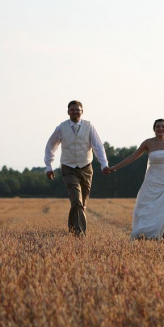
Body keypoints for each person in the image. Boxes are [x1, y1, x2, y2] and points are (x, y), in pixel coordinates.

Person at [45, 100, 110, 237]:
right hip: (68, 168)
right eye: (72, 110)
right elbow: (51, 146)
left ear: (82, 111)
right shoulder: (61, 128)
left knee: (82, 203)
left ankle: (72, 227)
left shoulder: (89, 126)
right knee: (77, 200)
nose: (75, 112)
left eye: (77, 110)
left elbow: (98, 146)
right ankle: (80, 233)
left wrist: (104, 164)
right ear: (68, 112)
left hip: (86, 167)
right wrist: (49, 166)